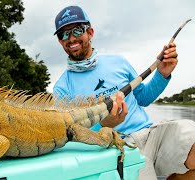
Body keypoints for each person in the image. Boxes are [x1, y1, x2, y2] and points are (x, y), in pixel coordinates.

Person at [52, 5, 195, 180]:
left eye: (77, 30)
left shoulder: (118, 62)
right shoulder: (62, 87)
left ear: (90, 32)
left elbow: (143, 97)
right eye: (63, 34)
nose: (71, 38)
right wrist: (105, 125)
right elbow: (71, 133)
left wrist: (162, 74)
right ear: (60, 41)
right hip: (117, 148)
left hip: (151, 134)